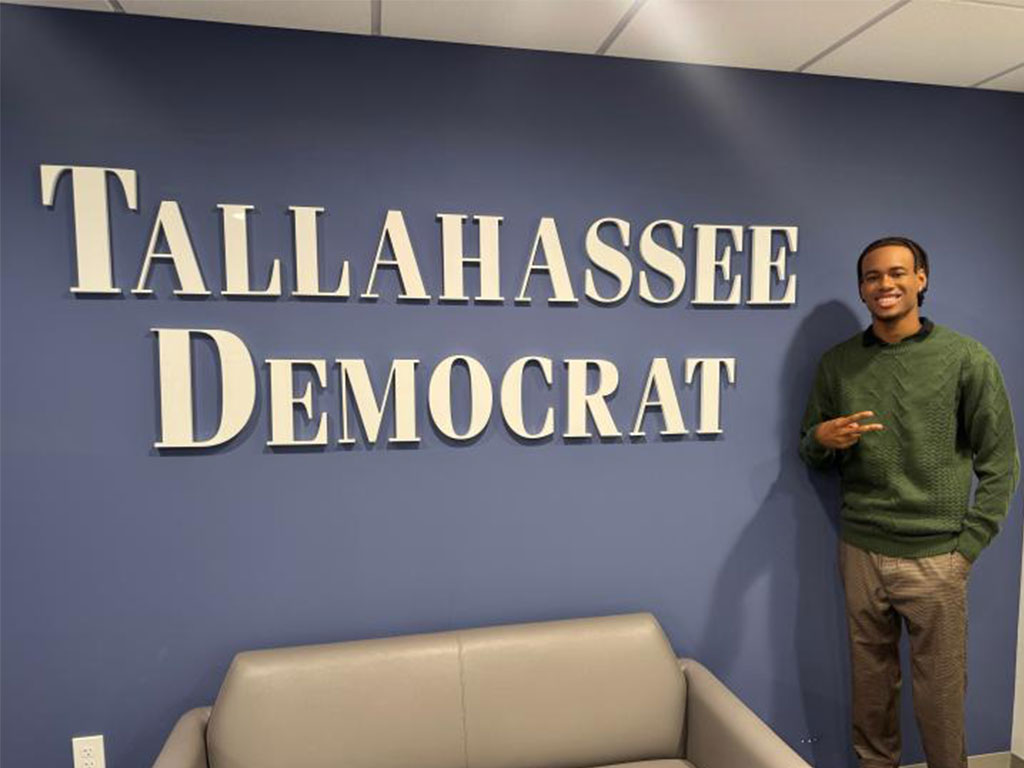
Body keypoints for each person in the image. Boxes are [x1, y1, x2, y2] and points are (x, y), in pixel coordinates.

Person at [798, 236, 1020, 768]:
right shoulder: (838, 364)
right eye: (872, 276)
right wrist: (821, 439)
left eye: (897, 273)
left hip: (937, 557)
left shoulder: (966, 359)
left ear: (921, 279)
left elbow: (1001, 463)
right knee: (870, 692)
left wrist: (966, 548)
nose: (885, 284)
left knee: (941, 697)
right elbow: (811, 447)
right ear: (861, 288)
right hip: (861, 551)